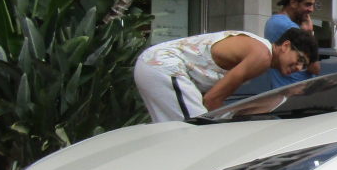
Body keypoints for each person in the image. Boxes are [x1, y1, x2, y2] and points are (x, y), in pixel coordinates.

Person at [134, 28, 317, 122]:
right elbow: (212, 100)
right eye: (299, 58)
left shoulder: (259, 51)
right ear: (285, 46)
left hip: (155, 64)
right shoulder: (262, 56)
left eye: (304, 65)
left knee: (173, 134)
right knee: (194, 134)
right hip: (163, 65)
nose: (299, 67)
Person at [265, 0, 322, 88]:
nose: (311, 9)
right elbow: (315, 68)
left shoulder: (275, 21)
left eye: (312, 5)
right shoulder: (286, 26)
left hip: (285, 91)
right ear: (293, 2)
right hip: (293, 93)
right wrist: (309, 33)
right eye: (307, 4)